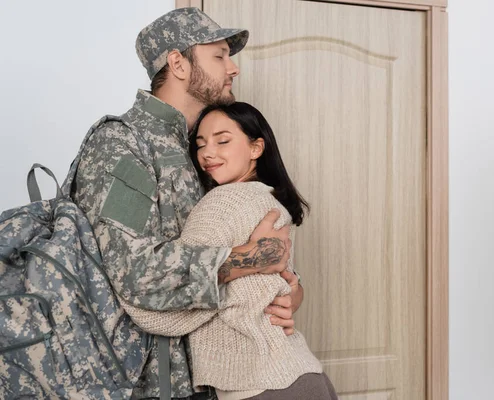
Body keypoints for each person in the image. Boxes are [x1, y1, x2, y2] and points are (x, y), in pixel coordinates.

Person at [72, 8, 302, 400]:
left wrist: (289, 290)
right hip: (145, 383)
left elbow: (252, 242)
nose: (233, 68)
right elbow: (134, 271)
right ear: (178, 63)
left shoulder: (205, 148)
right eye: (219, 56)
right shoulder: (124, 146)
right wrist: (249, 258)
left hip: (216, 377)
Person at [122, 102, 338, 400]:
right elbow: (280, 286)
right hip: (304, 375)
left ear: (256, 148)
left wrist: (122, 286)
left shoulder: (221, 204)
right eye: (200, 144)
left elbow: (172, 310)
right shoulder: (270, 202)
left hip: (262, 388)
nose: (207, 153)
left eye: (223, 141)